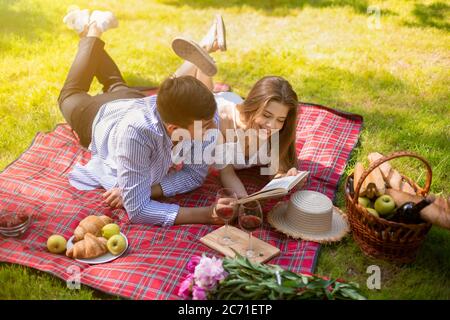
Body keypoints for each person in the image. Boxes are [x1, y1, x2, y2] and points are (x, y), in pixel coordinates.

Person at [58, 8, 227, 226]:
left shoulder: (205, 114)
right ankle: (92, 30)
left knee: (115, 84)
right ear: (174, 129)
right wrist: (207, 214)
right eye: (205, 126)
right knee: (70, 94)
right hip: (95, 114)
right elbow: (138, 209)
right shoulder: (137, 134)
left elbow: (194, 175)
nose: (214, 129)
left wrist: (144, 188)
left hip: (132, 100)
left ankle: (89, 28)